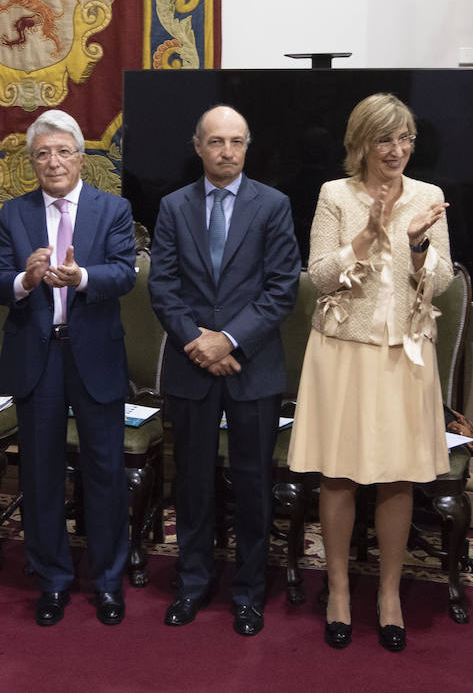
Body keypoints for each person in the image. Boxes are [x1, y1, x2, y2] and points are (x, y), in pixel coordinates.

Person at [287, 92, 452, 653]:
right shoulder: (335, 195)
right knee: (336, 473)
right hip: (343, 354)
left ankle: (388, 595)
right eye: (386, 139)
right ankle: (337, 591)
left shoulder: (429, 197)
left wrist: (415, 243)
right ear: (361, 143)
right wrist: (366, 236)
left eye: (406, 138)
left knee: (396, 475)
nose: (397, 149)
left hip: (403, 353)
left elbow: (444, 281)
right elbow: (320, 276)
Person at [148, 105, 301, 636]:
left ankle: (249, 593)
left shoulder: (273, 205)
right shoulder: (172, 206)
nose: (227, 152)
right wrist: (198, 342)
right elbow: (162, 286)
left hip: (252, 366)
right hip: (192, 367)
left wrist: (229, 340)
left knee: (254, 485)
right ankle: (192, 583)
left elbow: (282, 287)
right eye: (216, 141)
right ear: (198, 146)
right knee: (191, 483)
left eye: (237, 141)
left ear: (248, 145)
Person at [0, 109, 136, 627]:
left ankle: (108, 581)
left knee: (105, 471)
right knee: (41, 472)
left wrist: (82, 277)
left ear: (81, 156)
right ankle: (51, 579)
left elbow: (124, 274)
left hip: (94, 354)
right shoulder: (13, 213)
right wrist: (26, 281)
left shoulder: (111, 209)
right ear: (32, 162)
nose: (54, 162)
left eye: (63, 151)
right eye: (43, 154)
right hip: (38, 355)